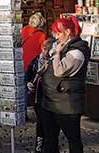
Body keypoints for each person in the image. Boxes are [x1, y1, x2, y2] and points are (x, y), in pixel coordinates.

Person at [41, 16, 89, 153]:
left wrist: (57, 54)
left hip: (67, 104)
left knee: (73, 140)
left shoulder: (77, 52)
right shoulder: (63, 47)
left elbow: (59, 71)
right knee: (50, 138)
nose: (56, 37)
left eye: (58, 33)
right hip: (51, 100)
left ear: (68, 32)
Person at [26, 38, 54, 153]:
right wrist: (28, 83)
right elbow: (29, 73)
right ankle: (39, 145)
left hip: (49, 97)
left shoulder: (54, 61)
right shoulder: (36, 60)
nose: (44, 52)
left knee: (47, 123)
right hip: (38, 96)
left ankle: (47, 145)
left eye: (47, 50)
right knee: (41, 122)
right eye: (44, 49)